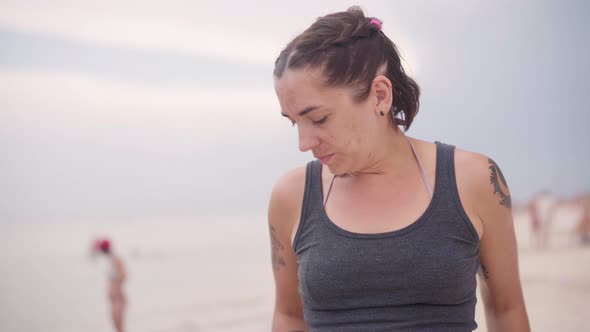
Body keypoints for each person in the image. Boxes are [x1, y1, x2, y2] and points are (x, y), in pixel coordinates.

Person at [268, 7, 530, 331]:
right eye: (294, 122)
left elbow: (506, 308)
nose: (304, 143)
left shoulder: (473, 180)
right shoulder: (291, 196)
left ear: (380, 94)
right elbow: (289, 316)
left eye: (319, 118)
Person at [91, 238, 127, 332]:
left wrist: (116, 285)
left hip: (118, 298)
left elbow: (125, 275)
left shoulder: (116, 259)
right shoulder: (108, 260)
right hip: (113, 299)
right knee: (116, 326)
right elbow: (92, 258)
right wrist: (93, 245)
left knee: (119, 327)